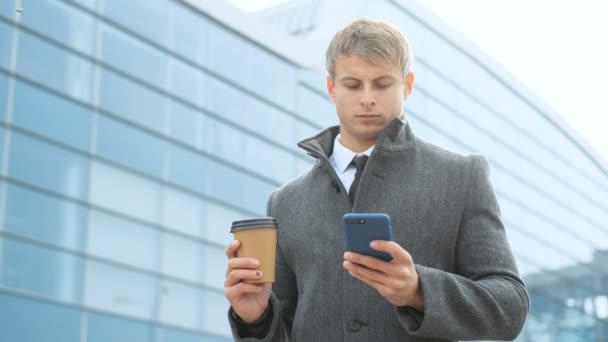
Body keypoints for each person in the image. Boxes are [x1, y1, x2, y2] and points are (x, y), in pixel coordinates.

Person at [224, 17, 529, 341]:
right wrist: (255, 319)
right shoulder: (285, 202)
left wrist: (418, 291)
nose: (367, 98)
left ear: (407, 85)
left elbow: (510, 306)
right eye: (353, 84)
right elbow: (282, 329)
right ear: (331, 88)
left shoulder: (461, 177)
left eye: (382, 84)